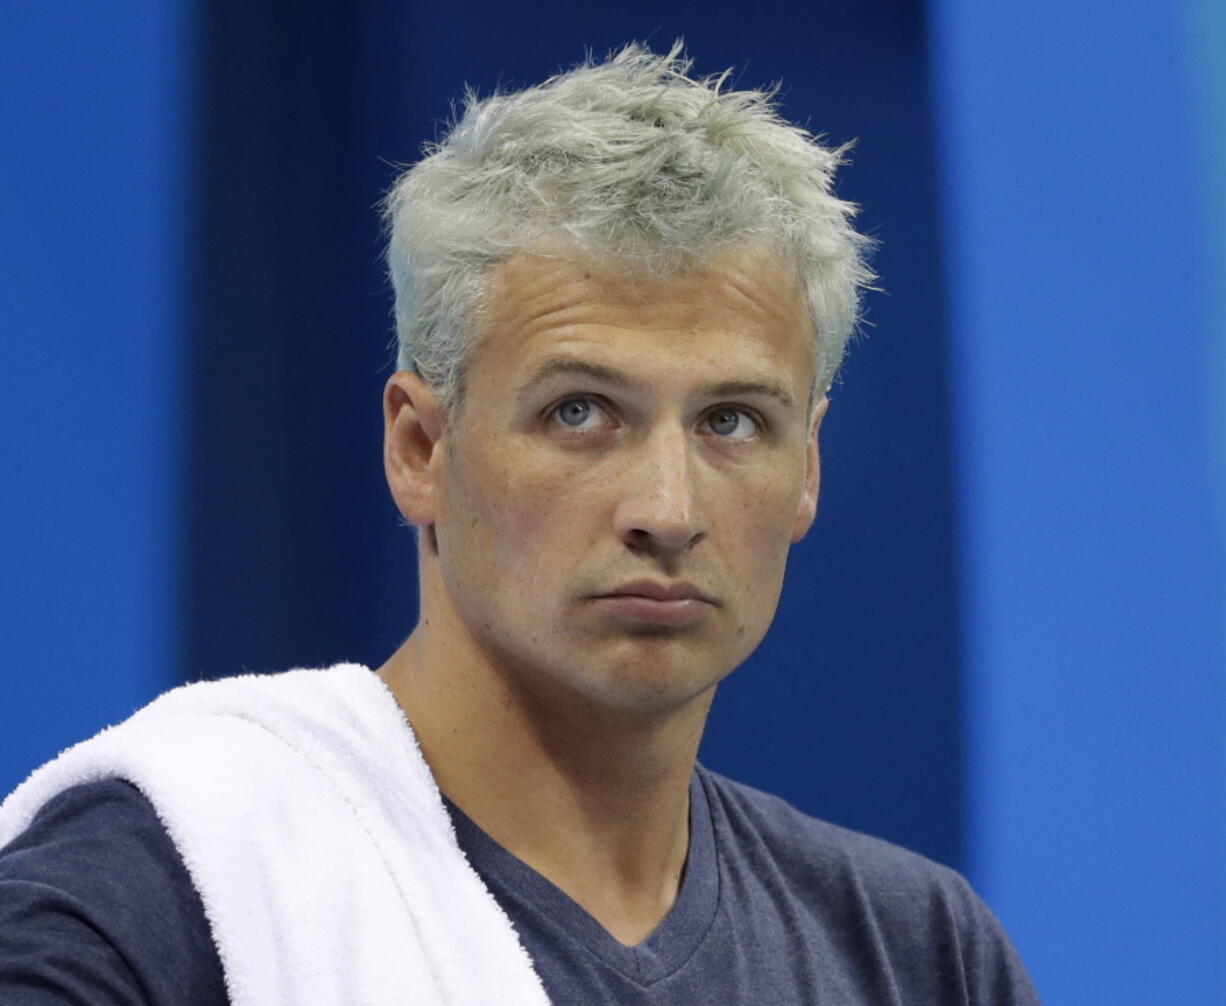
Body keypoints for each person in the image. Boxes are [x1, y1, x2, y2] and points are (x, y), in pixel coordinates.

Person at [0, 44, 1039, 1004]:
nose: (666, 512)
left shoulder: (914, 953)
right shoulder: (159, 889)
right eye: (578, 412)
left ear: (803, 468)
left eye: (730, 420)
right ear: (419, 447)